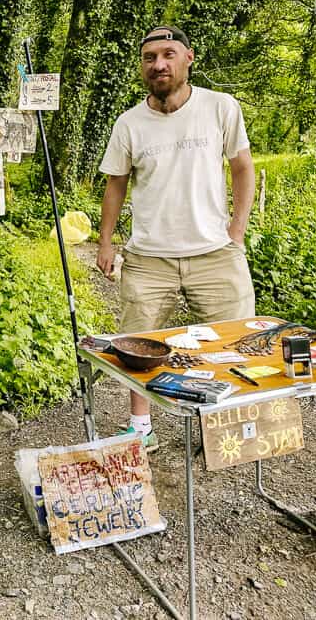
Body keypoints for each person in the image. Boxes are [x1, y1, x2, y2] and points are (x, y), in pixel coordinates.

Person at [95, 25, 256, 451]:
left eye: (168, 54)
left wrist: (237, 228)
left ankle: (223, 426)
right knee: (137, 346)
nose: (159, 64)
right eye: (150, 57)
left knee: (234, 340)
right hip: (149, 258)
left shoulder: (220, 107)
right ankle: (139, 428)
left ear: (189, 58)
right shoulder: (129, 123)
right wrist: (106, 243)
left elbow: (242, 167)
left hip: (216, 254)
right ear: (143, 66)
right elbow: (116, 185)